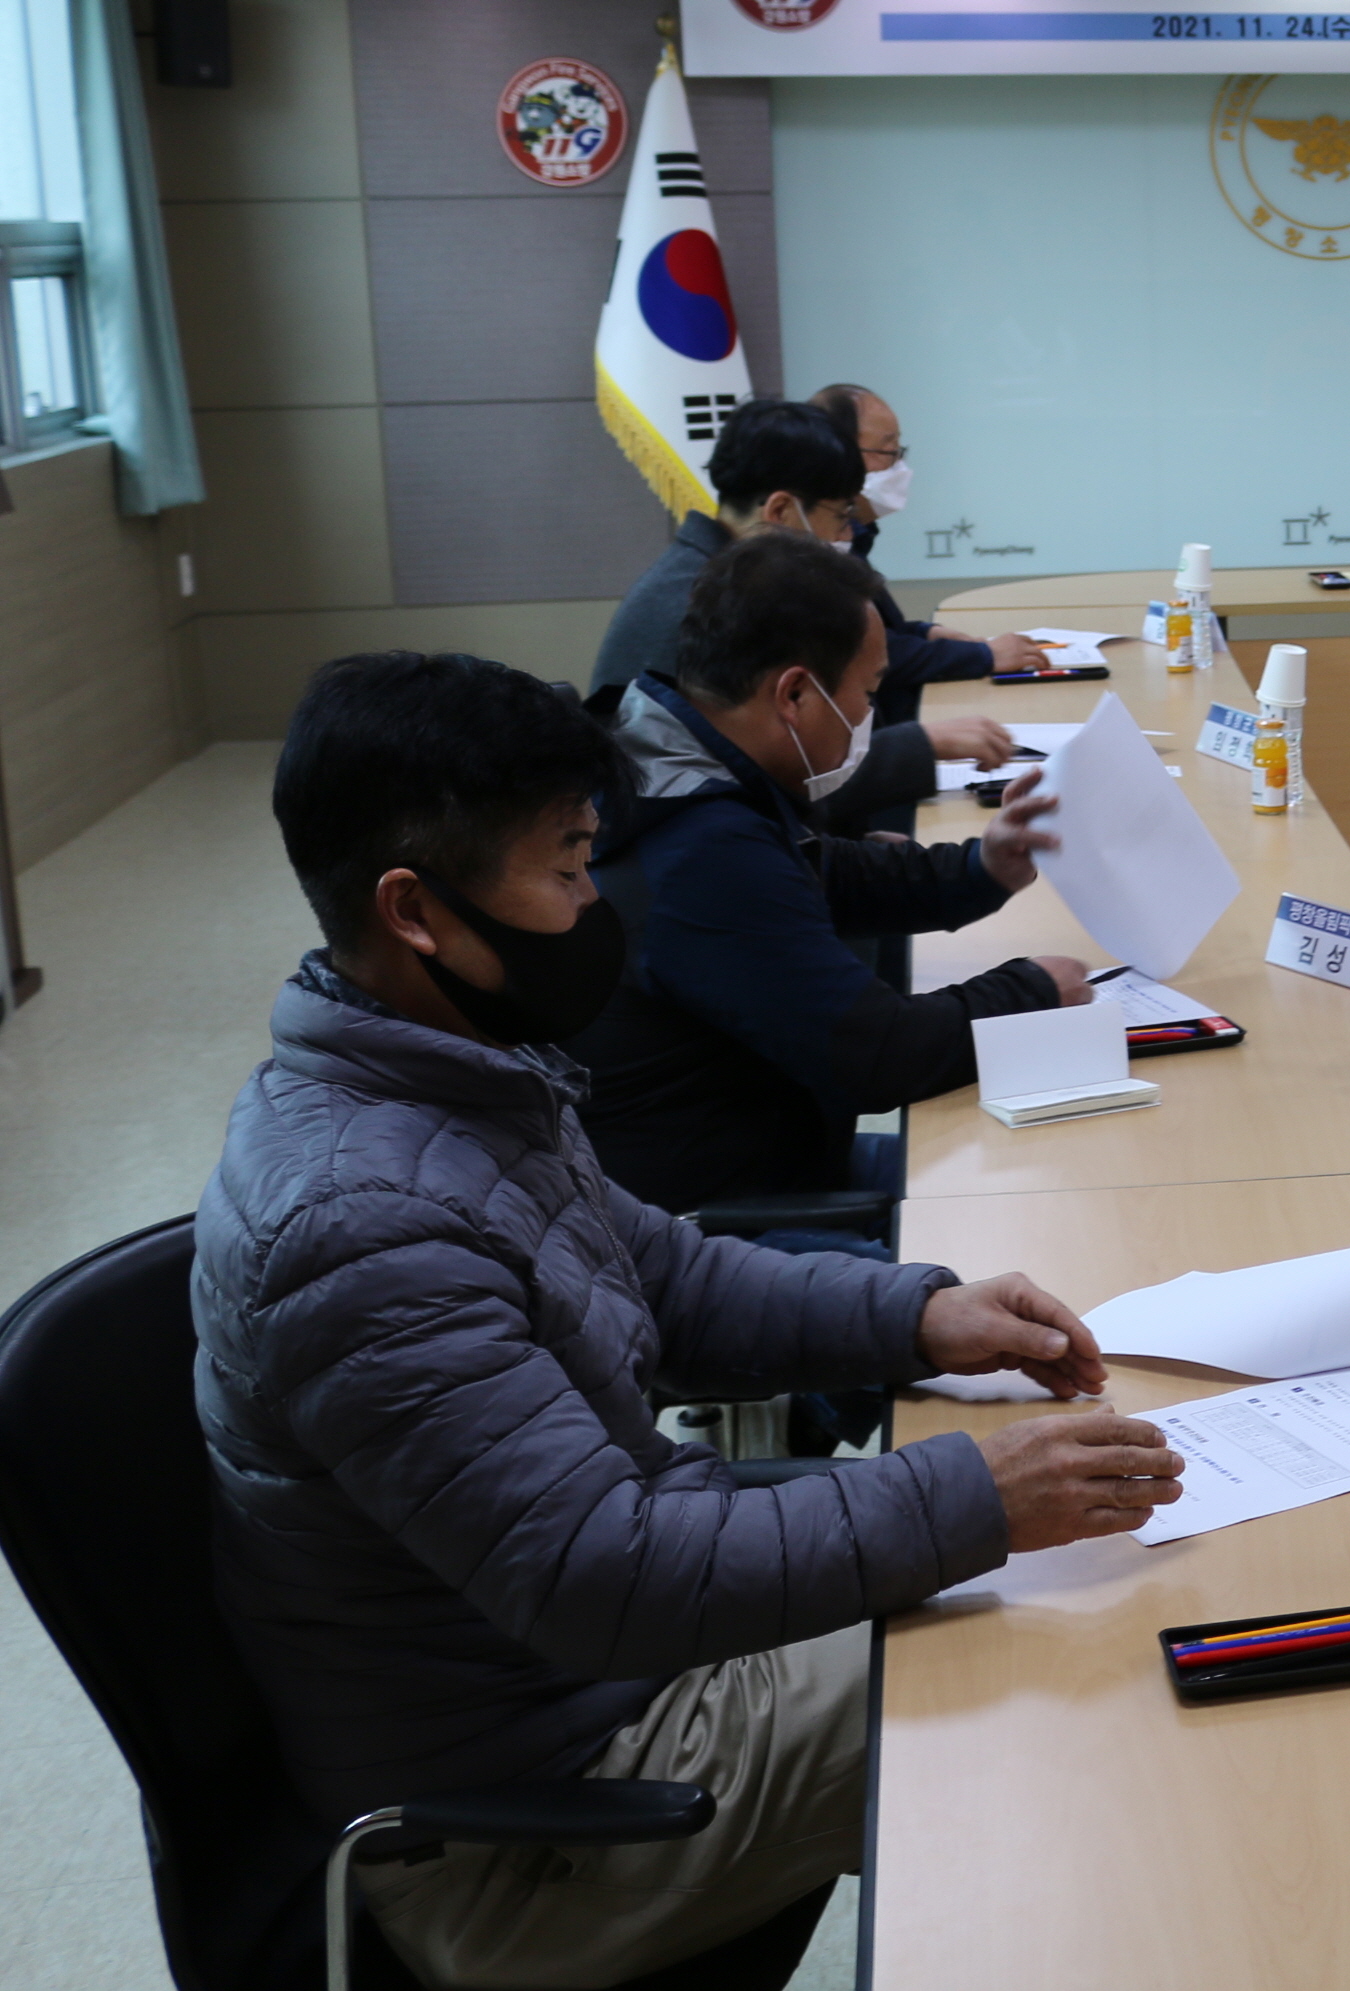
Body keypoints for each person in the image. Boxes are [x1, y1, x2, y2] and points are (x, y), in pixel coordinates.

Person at [198, 648, 1183, 1987]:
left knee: (1042, 1587)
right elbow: (606, 1573)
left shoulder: (450, 1079)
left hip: (605, 1678)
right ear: (415, 911)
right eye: (565, 868)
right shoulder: (360, 1223)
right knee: (1068, 1659)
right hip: (532, 1823)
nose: (595, 903)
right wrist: (974, 1495)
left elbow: (670, 1273)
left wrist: (920, 1317)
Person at [571, 529, 1093, 1219]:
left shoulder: (678, 759)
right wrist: (1029, 991)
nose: (869, 715)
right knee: (1023, 1202)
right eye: (869, 691)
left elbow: (823, 872)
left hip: (777, 1160)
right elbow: (880, 1054)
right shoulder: (699, 849)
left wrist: (980, 865)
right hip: (724, 1229)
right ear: (794, 694)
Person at [587, 398, 1019, 804]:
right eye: (842, 515)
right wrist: (920, 745)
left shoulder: (727, 576)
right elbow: (775, 774)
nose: (847, 535)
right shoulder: (707, 604)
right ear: (780, 512)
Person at [806, 382, 1048, 717]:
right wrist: (984, 656)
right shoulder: (806, 549)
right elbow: (863, 653)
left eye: (899, 449)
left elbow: (877, 633)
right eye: (888, 450)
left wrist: (926, 632)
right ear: (837, 452)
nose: (899, 466)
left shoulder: (853, 535)